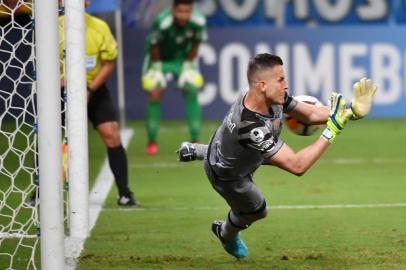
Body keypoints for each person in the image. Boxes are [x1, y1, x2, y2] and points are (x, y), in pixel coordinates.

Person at [177, 53, 377, 258]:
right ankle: (225, 233)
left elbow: (310, 114)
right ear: (263, 85)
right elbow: (298, 166)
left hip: (234, 148)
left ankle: (199, 150)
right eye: (281, 79)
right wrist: (332, 129)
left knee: (251, 152)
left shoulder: (265, 98)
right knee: (257, 211)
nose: (286, 85)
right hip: (229, 175)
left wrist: (352, 110)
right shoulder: (250, 127)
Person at [58, 0, 140, 207]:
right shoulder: (53, 29)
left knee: (112, 134)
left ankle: (125, 193)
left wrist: (88, 90)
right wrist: (67, 86)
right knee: (49, 140)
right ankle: (39, 192)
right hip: (59, 91)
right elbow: (43, 64)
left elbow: (108, 64)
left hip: (93, 89)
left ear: (87, 2)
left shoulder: (99, 27)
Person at [141, 0, 207, 155]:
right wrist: (156, 67)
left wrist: (187, 65)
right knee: (155, 92)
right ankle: (151, 141)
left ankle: (196, 138)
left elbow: (196, 44)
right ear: (173, 10)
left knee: (192, 89)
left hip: (182, 60)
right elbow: (154, 44)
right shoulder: (162, 21)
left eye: (187, 11)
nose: (184, 16)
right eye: (180, 11)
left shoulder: (198, 21)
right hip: (158, 60)